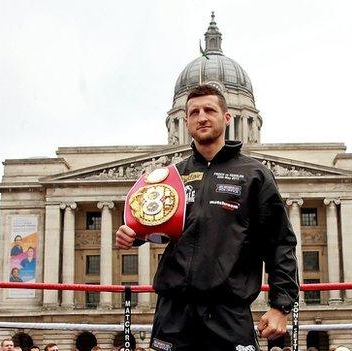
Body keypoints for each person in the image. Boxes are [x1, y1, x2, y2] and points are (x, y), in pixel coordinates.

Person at [116, 84, 299, 350]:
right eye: (193, 112)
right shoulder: (170, 176)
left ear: (227, 118)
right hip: (174, 313)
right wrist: (134, 236)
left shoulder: (254, 174)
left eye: (209, 110)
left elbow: (280, 244)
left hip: (227, 311)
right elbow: (160, 227)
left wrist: (281, 306)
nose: (201, 117)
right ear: (184, 122)